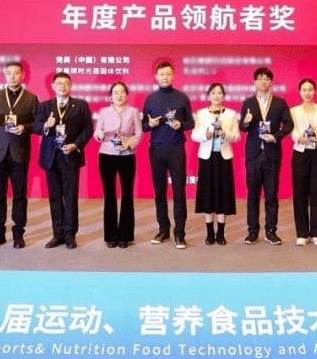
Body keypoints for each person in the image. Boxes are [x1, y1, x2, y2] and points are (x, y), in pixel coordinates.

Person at [0, 61, 39, 249]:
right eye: (9, 73)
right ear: (5, 75)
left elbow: (38, 123)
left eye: (16, 73)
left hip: (19, 152)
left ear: (22, 75)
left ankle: (18, 233)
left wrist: (25, 128)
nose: (12, 76)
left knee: (20, 194)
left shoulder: (31, 98)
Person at [33, 72, 93, 249]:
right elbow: (35, 126)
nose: (62, 86)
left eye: (66, 83)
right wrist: (46, 125)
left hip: (70, 155)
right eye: (59, 83)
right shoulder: (44, 106)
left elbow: (88, 128)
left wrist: (75, 145)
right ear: (53, 86)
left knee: (70, 197)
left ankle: (70, 235)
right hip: (50, 157)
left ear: (70, 85)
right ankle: (57, 234)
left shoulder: (80, 105)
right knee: (55, 198)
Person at [141, 61, 194, 249]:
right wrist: (150, 125)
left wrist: (180, 125)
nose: (165, 77)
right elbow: (143, 126)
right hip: (156, 150)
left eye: (168, 74)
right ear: (156, 77)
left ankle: (180, 234)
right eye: (162, 74)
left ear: (173, 76)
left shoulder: (182, 97)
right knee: (160, 192)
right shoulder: (150, 99)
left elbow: (191, 123)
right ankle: (163, 230)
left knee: (179, 192)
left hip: (176, 149)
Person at [238, 67, 293, 245]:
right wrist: (246, 122)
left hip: (272, 153)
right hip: (253, 154)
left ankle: (271, 231)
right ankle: (252, 232)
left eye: (267, 78)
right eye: (260, 78)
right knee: (252, 195)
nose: (263, 81)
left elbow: (289, 124)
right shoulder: (248, 102)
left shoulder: (279, 102)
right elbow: (242, 127)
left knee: (271, 195)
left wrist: (275, 136)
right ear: (255, 81)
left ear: (271, 81)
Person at [93, 82, 142, 248]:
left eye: (122, 92)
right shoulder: (104, 112)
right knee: (109, 195)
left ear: (126, 94)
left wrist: (129, 143)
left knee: (127, 194)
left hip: (127, 156)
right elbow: (97, 132)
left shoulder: (133, 111)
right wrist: (100, 134)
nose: (119, 95)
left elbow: (138, 134)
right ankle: (111, 236)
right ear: (111, 96)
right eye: (115, 92)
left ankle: (125, 236)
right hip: (106, 155)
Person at [192, 82, 240, 246]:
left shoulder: (231, 114)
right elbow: (194, 135)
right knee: (208, 194)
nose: (216, 96)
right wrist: (206, 134)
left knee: (223, 194)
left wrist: (225, 134)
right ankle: (209, 233)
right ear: (208, 95)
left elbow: (236, 136)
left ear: (223, 95)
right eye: (213, 93)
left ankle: (220, 233)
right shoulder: (201, 113)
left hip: (223, 157)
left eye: (219, 93)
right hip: (207, 157)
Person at [289, 78, 317, 246]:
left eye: (310, 90)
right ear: (300, 92)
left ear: (315, 91)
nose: (307, 93)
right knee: (300, 193)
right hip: (300, 153)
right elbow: (291, 129)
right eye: (304, 90)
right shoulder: (294, 111)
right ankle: (302, 233)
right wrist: (298, 137)